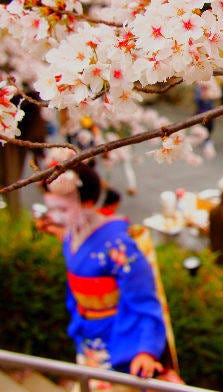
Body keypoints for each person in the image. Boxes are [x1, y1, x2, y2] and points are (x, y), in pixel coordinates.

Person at [38, 161, 167, 381]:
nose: (55, 216)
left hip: (118, 334)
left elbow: (145, 299)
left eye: (62, 209)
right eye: (51, 208)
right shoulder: (72, 233)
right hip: (87, 330)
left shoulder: (118, 245)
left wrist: (145, 350)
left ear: (88, 203)